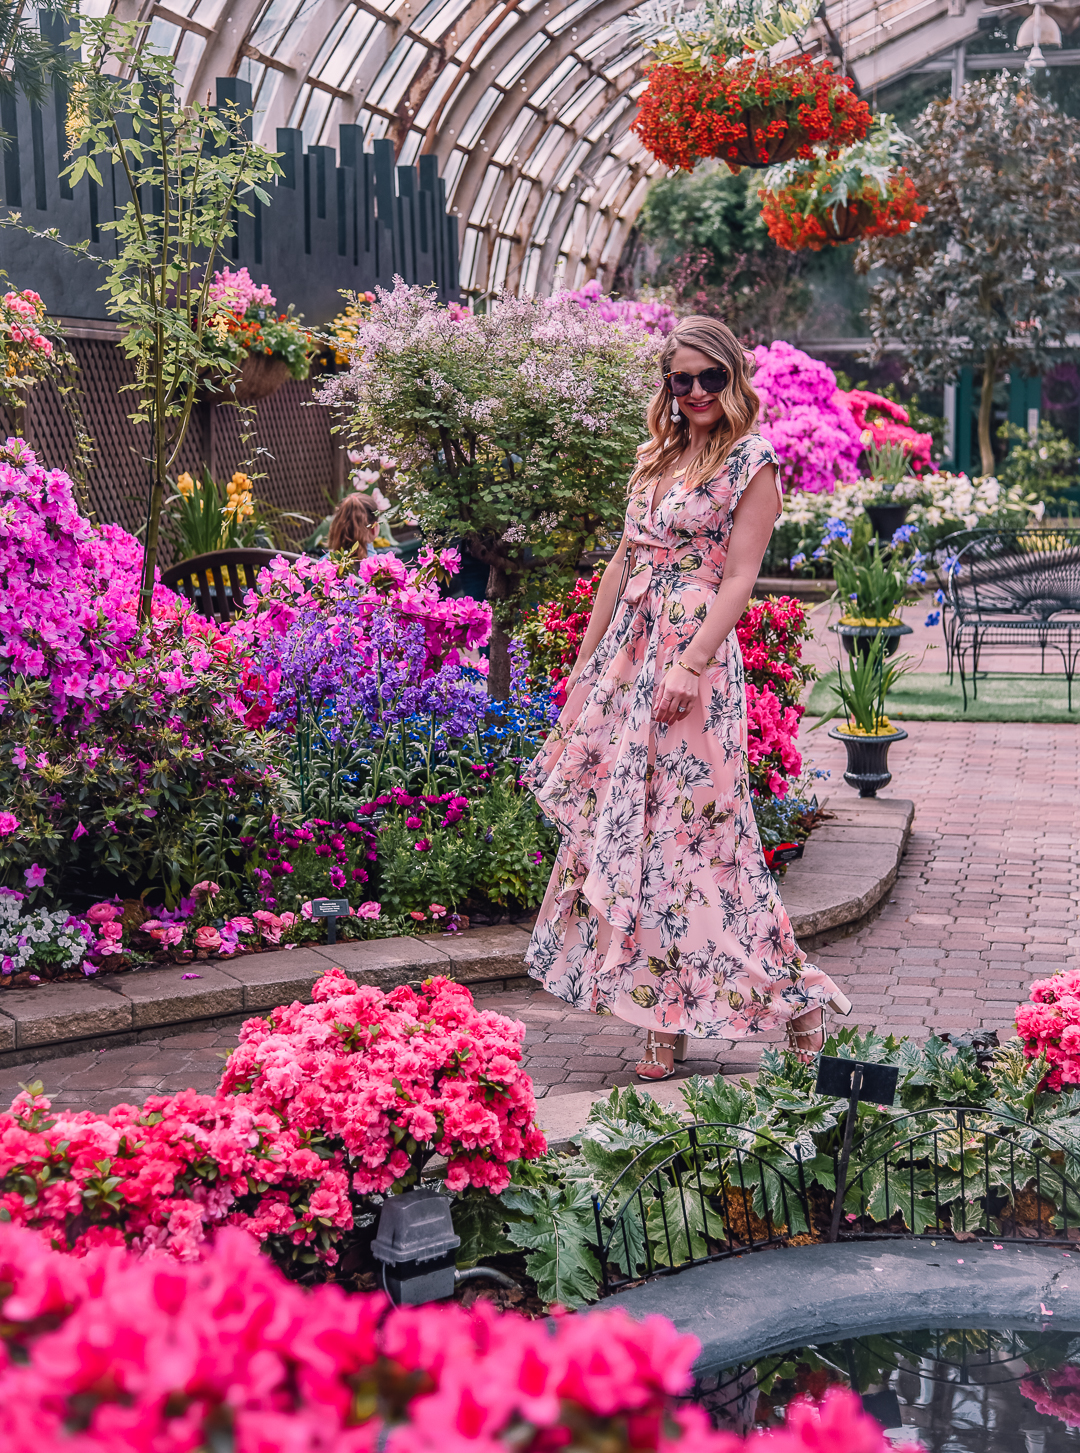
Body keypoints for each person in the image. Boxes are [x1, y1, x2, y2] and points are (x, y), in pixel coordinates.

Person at [522, 316, 851, 1081]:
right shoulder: (658, 458)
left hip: (691, 660)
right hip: (631, 658)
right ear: (668, 388)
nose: (697, 392)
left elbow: (740, 576)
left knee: (702, 835)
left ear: (733, 379)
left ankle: (795, 1000)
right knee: (635, 832)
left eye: (710, 378)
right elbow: (620, 563)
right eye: (682, 380)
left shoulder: (750, 461)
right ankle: (658, 1014)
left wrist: (691, 663)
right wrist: (584, 663)